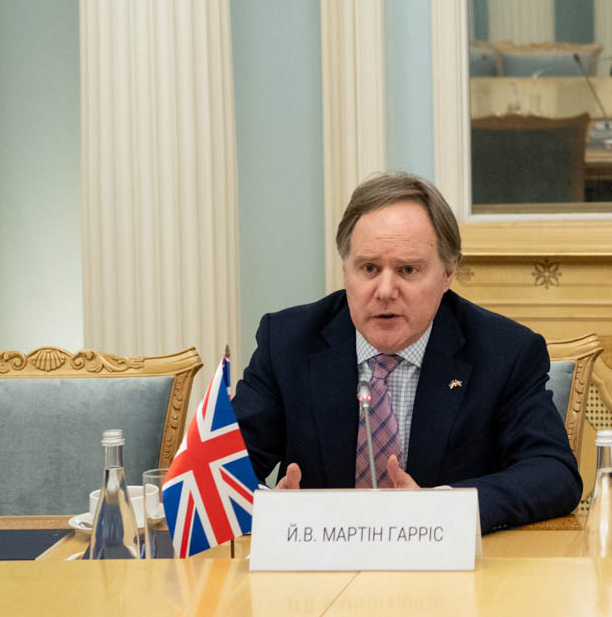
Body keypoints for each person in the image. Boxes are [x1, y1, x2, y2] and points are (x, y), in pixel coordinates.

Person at [233, 173, 581, 533]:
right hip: (316, 561)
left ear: (448, 273)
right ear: (345, 270)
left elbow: (553, 472)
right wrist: (271, 507)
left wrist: (440, 507)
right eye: (369, 268)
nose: (385, 290)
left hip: (448, 565)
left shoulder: (504, 352)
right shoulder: (288, 343)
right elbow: (222, 469)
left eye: (408, 270)